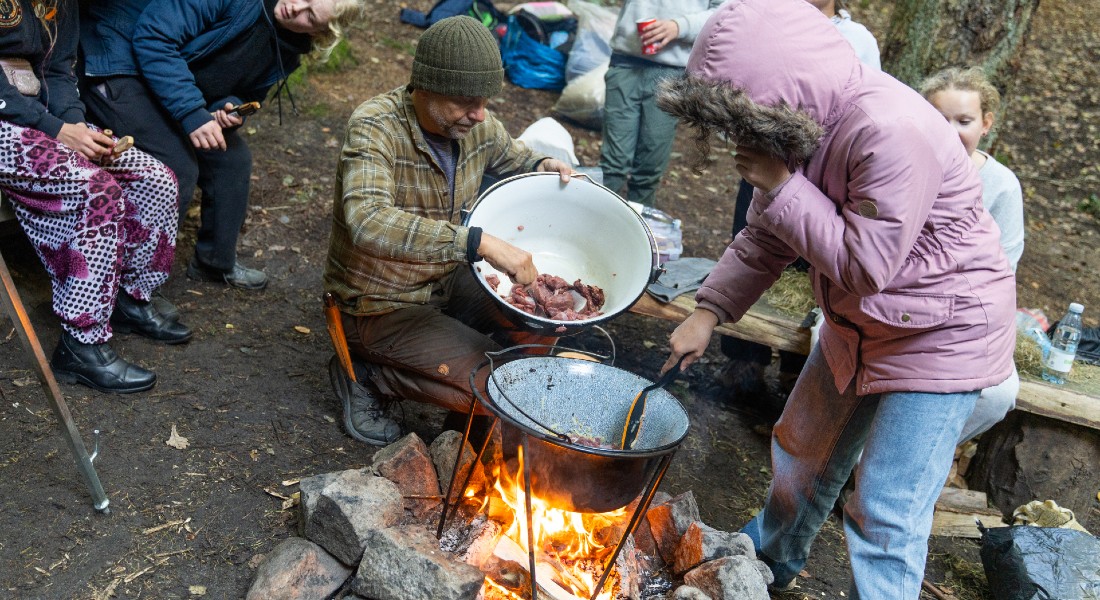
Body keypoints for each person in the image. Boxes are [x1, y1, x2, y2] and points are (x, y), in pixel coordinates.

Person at [654, 0, 1016, 597]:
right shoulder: (802, 121)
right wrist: (708, 311)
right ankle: (762, 567)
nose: (737, 138)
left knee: (886, 509)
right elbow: (769, 232)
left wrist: (784, 185)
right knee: (803, 453)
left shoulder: (889, 129)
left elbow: (866, 267)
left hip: (944, 334)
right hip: (863, 323)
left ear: (776, 87)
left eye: (739, 117)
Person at [322, 16, 573, 446]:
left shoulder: (475, 125)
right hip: (378, 304)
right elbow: (367, 222)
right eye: (465, 102)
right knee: (501, 388)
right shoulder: (375, 127)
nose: (479, 114)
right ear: (425, 84)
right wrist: (476, 243)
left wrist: (541, 165)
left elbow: (513, 156)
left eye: (485, 100)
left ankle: (467, 418)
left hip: (441, 282)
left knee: (543, 321)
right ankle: (368, 376)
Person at [79, 0, 367, 293]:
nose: (296, 7)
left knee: (232, 161)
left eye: (310, 15)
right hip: (118, 58)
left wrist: (225, 110)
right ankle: (128, 288)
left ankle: (213, 263)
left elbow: (245, 94)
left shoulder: (289, 52)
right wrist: (191, 111)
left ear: (320, 33)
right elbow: (154, 37)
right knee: (177, 167)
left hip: (169, 82)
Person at [0, 0, 189, 393]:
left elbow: (59, 68)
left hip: (43, 119)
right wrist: (54, 129)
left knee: (155, 179)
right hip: (7, 123)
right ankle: (81, 346)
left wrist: (75, 126)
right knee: (97, 191)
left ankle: (128, 298)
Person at [717, 0, 881, 412]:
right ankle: (742, 364)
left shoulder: (858, 38)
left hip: (825, 171)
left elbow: (865, 101)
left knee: (814, 262)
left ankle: (796, 371)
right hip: (767, 154)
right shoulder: (768, 16)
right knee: (753, 242)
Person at [923, 66, 1025, 442]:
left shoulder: (1001, 186)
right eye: (939, 118)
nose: (950, 130)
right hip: (889, 300)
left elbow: (1003, 270)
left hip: (965, 313)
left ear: (986, 123)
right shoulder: (900, 166)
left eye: (963, 120)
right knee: (828, 341)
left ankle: (912, 456)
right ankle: (844, 463)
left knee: (999, 392)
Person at [598, 0, 724, 206]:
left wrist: (679, 26)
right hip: (626, 60)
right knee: (612, 166)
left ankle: (638, 231)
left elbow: (723, 13)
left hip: (671, 71)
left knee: (648, 168)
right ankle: (593, 225)